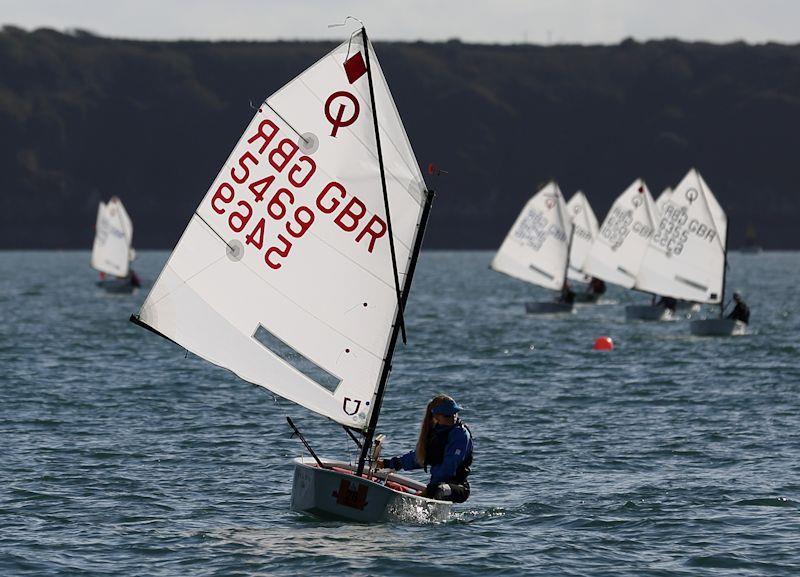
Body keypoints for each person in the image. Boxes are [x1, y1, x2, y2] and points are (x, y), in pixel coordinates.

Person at [379, 395, 473, 503]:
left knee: (439, 490)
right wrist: (388, 463)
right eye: (448, 415)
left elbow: (449, 466)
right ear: (436, 417)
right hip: (435, 485)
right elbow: (419, 457)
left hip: (457, 487)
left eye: (455, 413)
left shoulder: (460, 434)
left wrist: (429, 490)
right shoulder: (434, 434)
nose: (453, 417)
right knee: (389, 485)